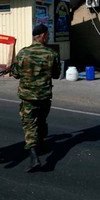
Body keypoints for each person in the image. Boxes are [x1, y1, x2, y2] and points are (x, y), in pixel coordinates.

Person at [11, 24, 61, 172]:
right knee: (41, 120)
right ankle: (41, 144)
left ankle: (34, 157)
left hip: (28, 97)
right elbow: (57, 75)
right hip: (44, 96)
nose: (49, 37)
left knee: (30, 125)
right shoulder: (51, 54)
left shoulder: (22, 53)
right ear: (43, 36)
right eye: (48, 34)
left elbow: (15, 74)